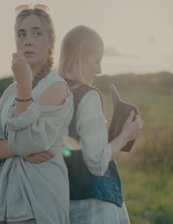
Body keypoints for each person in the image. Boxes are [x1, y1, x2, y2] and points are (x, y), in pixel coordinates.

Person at [0, 4, 73, 224]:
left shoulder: (55, 87)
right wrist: (17, 150)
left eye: (37, 33)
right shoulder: (10, 91)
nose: (27, 40)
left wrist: (25, 86)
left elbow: (27, 143)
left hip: (36, 202)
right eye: (21, 34)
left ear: (50, 43)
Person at [58, 25, 142, 223]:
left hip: (60, 201)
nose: (99, 69)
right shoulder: (88, 96)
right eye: (97, 60)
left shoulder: (50, 92)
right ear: (80, 56)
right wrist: (125, 136)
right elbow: (96, 163)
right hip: (93, 206)